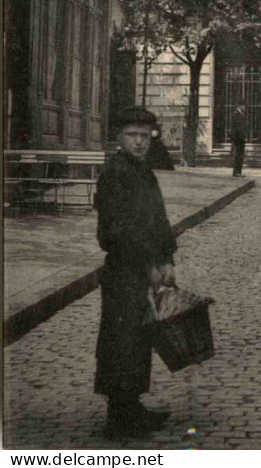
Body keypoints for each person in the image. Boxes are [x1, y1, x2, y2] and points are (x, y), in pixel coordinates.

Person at [94, 106, 177, 440]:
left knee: (139, 339)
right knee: (121, 341)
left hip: (145, 268)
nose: (140, 142)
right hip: (124, 269)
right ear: (119, 137)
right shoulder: (115, 172)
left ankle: (132, 406)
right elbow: (115, 232)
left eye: (145, 136)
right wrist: (148, 265)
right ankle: (119, 416)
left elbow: (158, 218)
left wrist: (167, 257)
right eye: (133, 135)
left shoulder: (143, 170)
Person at [229, 102, 248, 177]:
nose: (245, 108)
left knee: (240, 155)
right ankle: (236, 172)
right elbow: (237, 128)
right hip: (238, 138)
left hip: (240, 138)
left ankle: (238, 172)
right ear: (240, 106)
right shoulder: (236, 114)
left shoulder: (241, 114)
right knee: (238, 155)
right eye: (244, 106)